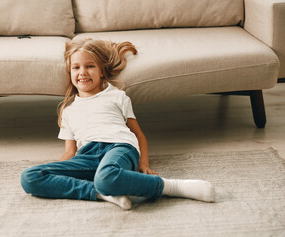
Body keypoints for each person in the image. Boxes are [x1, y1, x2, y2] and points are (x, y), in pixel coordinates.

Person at [20, 38, 215, 210]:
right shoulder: (68, 110)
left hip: (119, 147)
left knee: (106, 176)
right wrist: (58, 172)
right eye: (76, 67)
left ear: (102, 72)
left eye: (90, 66)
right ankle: (103, 193)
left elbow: (138, 134)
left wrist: (143, 164)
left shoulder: (116, 96)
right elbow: (70, 152)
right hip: (86, 155)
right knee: (29, 177)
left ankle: (171, 186)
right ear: (69, 72)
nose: (82, 72)